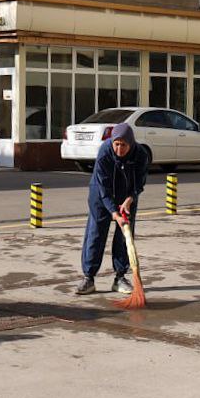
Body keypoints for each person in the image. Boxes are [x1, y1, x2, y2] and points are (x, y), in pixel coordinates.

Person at [75, 122, 149, 295]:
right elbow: (103, 188)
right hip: (100, 198)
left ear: (131, 143)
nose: (119, 149)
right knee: (95, 235)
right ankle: (89, 278)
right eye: (116, 144)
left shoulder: (141, 154)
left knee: (124, 238)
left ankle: (120, 278)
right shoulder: (105, 152)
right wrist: (115, 213)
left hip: (127, 199)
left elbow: (140, 183)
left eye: (124, 145)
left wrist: (130, 199)